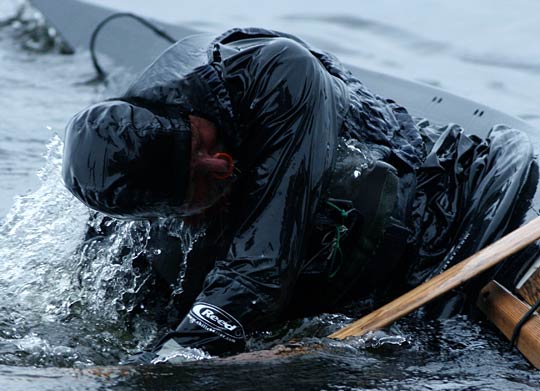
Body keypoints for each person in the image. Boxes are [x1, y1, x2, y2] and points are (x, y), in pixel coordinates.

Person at [62, 28, 539, 362]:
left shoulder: (277, 73)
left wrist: (175, 360)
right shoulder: (126, 195)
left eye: (202, 145)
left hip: (452, 216)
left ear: (182, 113)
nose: (218, 164)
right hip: (337, 276)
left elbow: (260, 268)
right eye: (198, 181)